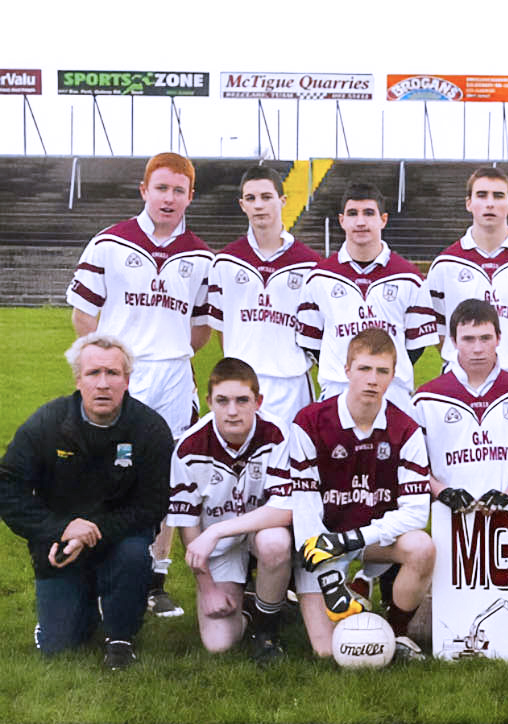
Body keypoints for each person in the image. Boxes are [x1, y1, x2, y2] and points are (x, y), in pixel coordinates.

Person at [66, 151, 212, 619]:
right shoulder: (109, 243)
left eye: (179, 190)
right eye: (161, 188)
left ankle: (155, 579)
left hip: (172, 377)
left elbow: (201, 328)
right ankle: (99, 570)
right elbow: (83, 314)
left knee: (165, 477)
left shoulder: (201, 257)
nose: (169, 198)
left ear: (191, 196)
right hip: (123, 374)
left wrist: (167, 351)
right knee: (108, 470)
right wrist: (108, 367)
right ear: (143, 190)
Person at [0, 334, 170, 670]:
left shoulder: (150, 429)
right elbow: (7, 486)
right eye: (93, 374)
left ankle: (121, 637)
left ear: (127, 380)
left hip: (121, 541)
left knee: (136, 552)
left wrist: (90, 532)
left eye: (113, 373)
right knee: (58, 647)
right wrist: (59, 529)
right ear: (78, 380)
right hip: (60, 544)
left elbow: (153, 505)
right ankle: (80, 606)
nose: (103, 384)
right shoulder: (47, 424)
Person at [287, 328, 435, 661]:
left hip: (367, 541)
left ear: (393, 376)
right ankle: (312, 593)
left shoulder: (406, 429)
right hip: (320, 542)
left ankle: (397, 635)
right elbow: (304, 502)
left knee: (421, 547)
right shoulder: (310, 422)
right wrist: (326, 574)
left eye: (382, 371)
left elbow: (415, 513)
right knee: (328, 651)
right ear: (347, 369)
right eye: (364, 369)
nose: (372, 379)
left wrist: (350, 540)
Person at [169, 357, 293, 664]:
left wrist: (217, 530)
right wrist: (207, 587)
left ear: (258, 401)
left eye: (242, 400)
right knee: (219, 643)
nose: (232, 411)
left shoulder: (278, 434)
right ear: (209, 401)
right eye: (222, 401)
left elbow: (285, 510)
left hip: (259, 531)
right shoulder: (188, 448)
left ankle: (267, 632)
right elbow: (187, 526)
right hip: (220, 547)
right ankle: (252, 607)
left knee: (274, 543)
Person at [296, 182, 438, 411]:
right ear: (342, 220)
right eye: (353, 213)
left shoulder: (409, 277)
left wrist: (382, 372)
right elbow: (313, 344)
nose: (360, 222)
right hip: (337, 391)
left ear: (383, 219)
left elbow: (415, 346)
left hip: (393, 394)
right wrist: (347, 372)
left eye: (369, 213)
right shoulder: (318, 278)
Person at [208, 166, 322, 424]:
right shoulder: (225, 261)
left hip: (291, 384)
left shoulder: (310, 264)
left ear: (282, 200)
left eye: (266, 197)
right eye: (251, 198)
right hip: (240, 385)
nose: (259, 205)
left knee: (293, 461)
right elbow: (221, 327)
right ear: (242, 205)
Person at [425, 167, 508, 382]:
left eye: (498, 195)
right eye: (481, 195)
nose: (489, 203)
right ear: (469, 203)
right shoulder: (445, 264)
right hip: (459, 379)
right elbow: (440, 331)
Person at [414, 300, 508, 516]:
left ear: (499, 338)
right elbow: (414, 464)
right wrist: (443, 492)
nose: (478, 349)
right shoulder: (427, 398)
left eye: (485, 338)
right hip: (449, 520)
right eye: (468, 339)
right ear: (453, 341)